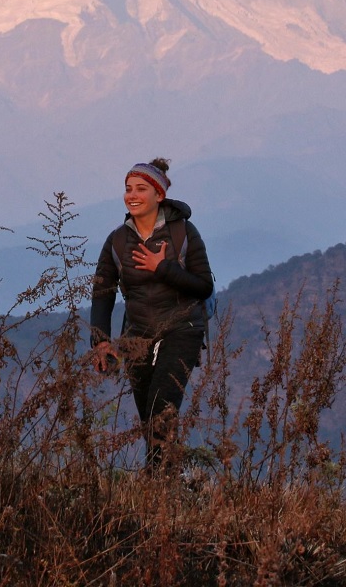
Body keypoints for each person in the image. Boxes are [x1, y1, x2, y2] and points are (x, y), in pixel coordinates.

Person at [90, 158, 214, 469]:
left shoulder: (183, 233)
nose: (132, 195)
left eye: (141, 189)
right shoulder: (118, 240)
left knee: (162, 409)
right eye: (128, 188)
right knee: (149, 415)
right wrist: (101, 341)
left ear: (159, 195)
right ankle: (172, 481)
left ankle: (156, 486)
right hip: (138, 332)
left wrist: (164, 268)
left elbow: (203, 286)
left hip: (182, 326)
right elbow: (102, 292)